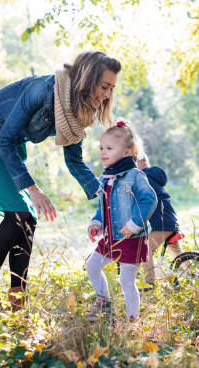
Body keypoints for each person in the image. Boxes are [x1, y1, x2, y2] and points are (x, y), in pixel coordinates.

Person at [0, 51, 121, 312]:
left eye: (111, 88)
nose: (107, 95)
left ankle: (17, 301)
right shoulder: (43, 91)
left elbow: (75, 162)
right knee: (19, 213)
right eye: (104, 86)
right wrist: (33, 189)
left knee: (28, 217)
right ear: (88, 79)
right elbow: (4, 140)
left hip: (6, 144)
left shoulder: (79, 112)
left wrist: (106, 194)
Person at [86, 121, 157, 321]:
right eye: (101, 148)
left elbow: (149, 200)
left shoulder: (135, 176)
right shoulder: (106, 177)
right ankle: (104, 303)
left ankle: (132, 318)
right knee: (92, 265)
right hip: (111, 236)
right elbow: (103, 206)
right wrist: (97, 222)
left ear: (127, 152)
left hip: (131, 236)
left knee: (126, 279)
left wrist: (134, 224)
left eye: (109, 148)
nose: (103, 152)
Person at [137, 154, 183, 291]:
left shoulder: (143, 178)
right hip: (171, 222)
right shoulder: (155, 179)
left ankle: (149, 284)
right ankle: (191, 273)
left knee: (145, 250)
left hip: (160, 224)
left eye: (135, 164)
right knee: (177, 254)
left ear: (144, 163)